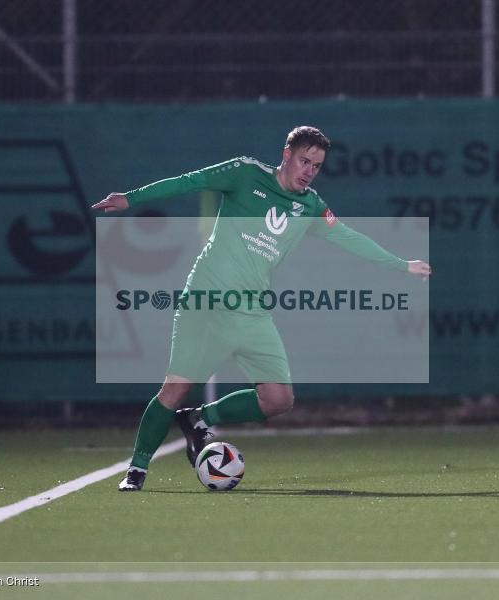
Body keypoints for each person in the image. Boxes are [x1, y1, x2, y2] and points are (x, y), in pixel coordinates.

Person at [92, 126, 431, 491]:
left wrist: (402, 265)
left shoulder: (311, 206)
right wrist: (131, 198)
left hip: (252, 312)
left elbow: (349, 238)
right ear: (286, 155)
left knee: (279, 399)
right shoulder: (245, 172)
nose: (309, 171)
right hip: (205, 304)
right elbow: (189, 181)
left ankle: (199, 418)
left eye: (317, 166)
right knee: (174, 389)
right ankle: (137, 470)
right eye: (304, 161)